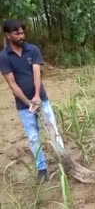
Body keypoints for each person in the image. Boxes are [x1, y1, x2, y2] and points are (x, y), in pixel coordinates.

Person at [0, 20, 64, 182]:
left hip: (41, 99)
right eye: (17, 33)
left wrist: (36, 97)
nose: (21, 36)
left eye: (22, 33)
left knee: (53, 131)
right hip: (24, 106)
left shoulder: (32, 50)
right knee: (33, 137)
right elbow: (12, 84)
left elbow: (37, 74)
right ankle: (42, 169)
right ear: (8, 35)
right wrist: (28, 103)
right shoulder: (4, 57)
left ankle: (64, 161)